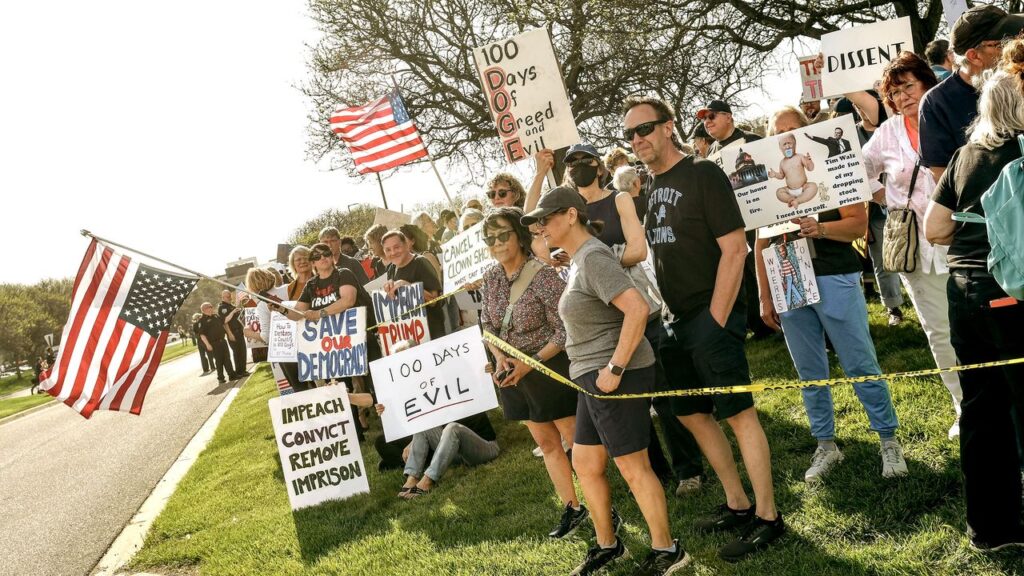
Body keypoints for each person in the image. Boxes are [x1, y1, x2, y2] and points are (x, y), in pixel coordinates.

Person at [624, 95, 784, 561]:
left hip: (710, 318)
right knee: (693, 414)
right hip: (674, 322)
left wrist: (716, 319)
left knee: (738, 413)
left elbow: (734, 249)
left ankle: (769, 517)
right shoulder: (651, 189)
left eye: (646, 129)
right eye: (631, 135)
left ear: (668, 126)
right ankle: (737, 503)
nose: (639, 140)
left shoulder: (704, 173)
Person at [525, 186, 691, 575]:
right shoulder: (581, 258)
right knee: (585, 463)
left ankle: (668, 550)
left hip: (614, 375)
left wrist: (615, 369)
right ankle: (607, 544)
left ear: (570, 215)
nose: (541, 229)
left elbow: (636, 309)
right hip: (591, 379)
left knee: (633, 467)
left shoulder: (595, 257)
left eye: (546, 220)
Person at [757, 106, 906, 482]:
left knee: (859, 360)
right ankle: (825, 444)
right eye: (777, 133)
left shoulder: (834, 167)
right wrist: (765, 294)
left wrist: (820, 230)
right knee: (809, 370)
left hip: (834, 274)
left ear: (805, 133)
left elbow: (857, 225)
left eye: (791, 131)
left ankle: (888, 439)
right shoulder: (765, 185)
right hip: (789, 277)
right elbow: (760, 242)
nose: (784, 139)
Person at [924, 50, 1024, 550]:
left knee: (982, 409)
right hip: (1014, 295)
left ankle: (992, 527)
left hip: (964, 295)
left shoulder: (966, 156)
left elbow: (933, 227)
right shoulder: (1022, 154)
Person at [862, 52, 962, 438]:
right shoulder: (886, 133)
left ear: (927, 81)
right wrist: (885, 198)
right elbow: (859, 171)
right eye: (894, 92)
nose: (902, 97)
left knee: (980, 324)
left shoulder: (950, 114)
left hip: (965, 239)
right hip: (916, 248)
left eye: (908, 86)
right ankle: (962, 405)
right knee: (938, 330)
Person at [478, 207, 582, 538]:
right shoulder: (491, 278)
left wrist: (531, 361)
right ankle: (572, 508)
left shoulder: (544, 275)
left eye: (503, 234)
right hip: (512, 372)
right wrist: (498, 357)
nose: (496, 242)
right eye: (490, 237)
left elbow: (565, 329)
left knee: (574, 439)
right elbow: (487, 325)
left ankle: (603, 503)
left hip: (548, 367)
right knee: (547, 443)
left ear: (519, 236)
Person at [696, 99, 773, 340]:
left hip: (762, 217)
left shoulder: (752, 141)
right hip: (733, 222)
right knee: (744, 274)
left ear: (729, 116)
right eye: (704, 119)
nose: (707, 122)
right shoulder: (711, 153)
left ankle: (777, 315)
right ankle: (758, 324)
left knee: (765, 267)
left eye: (712, 116)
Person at [919, 4, 1024, 182]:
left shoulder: (1019, 80)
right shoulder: (936, 103)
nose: (1015, 47)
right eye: (1005, 43)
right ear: (974, 56)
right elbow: (943, 178)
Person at [290, 243, 382, 392]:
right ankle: (355, 415)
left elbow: (348, 300)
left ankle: (381, 409)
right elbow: (297, 313)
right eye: (317, 256)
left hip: (359, 338)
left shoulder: (343, 274)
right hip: (334, 347)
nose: (323, 258)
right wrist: (280, 308)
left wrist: (319, 313)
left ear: (332, 256)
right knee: (342, 389)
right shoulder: (311, 285)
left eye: (326, 253)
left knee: (375, 381)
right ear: (313, 263)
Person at [390, 411, 499, 498]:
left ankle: (428, 480)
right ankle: (412, 477)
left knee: (453, 428)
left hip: (485, 447)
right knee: (424, 425)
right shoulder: (440, 400)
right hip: (457, 452)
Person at [381, 231, 446, 339]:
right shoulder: (391, 269)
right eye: (388, 249)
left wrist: (409, 286)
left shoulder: (420, 262)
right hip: (410, 334)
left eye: (397, 247)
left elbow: (434, 301)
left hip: (432, 333)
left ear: (406, 245)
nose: (393, 252)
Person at [769, 133, 818, 208]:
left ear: (795, 145)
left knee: (813, 186)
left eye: (790, 143)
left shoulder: (800, 157)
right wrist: (775, 174)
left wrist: (809, 162)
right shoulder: (782, 162)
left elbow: (810, 169)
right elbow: (781, 175)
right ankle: (790, 199)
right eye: (784, 144)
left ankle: (798, 201)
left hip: (803, 187)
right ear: (781, 148)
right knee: (779, 192)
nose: (787, 146)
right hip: (789, 190)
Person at [197, 301, 234, 384]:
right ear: (204, 309)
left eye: (211, 307)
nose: (212, 308)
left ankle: (232, 375)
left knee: (227, 358)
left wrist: (233, 312)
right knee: (219, 361)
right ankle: (220, 378)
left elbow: (225, 320)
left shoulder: (216, 316)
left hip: (222, 341)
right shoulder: (202, 321)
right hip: (214, 343)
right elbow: (202, 335)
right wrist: (208, 345)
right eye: (210, 307)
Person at [217, 290, 248, 379]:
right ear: (222, 297)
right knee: (237, 353)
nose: (229, 298)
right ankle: (239, 371)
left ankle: (243, 370)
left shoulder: (231, 306)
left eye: (230, 296)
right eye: (227, 296)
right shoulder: (222, 307)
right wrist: (230, 334)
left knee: (242, 351)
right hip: (232, 332)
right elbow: (224, 322)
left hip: (239, 331)